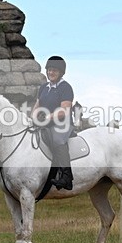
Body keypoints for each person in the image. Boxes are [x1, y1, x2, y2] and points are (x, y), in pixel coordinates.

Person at [32, 56, 75, 190]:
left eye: (54, 70)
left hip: (62, 124)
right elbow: (37, 106)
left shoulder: (66, 88)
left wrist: (48, 117)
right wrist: (33, 118)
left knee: (57, 140)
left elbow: (64, 111)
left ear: (61, 72)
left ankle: (67, 177)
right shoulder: (44, 87)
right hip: (45, 124)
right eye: (49, 70)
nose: (51, 73)